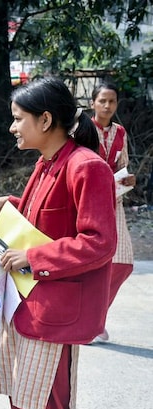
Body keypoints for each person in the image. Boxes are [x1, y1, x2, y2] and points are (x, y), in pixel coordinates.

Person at [0, 77, 117, 409]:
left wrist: (34, 257)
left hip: (53, 313)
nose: (12, 127)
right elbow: (44, 220)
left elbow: (99, 241)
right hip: (28, 305)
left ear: (45, 121)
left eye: (18, 118)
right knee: (25, 405)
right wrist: (7, 205)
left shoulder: (86, 166)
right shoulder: (48, 161)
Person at [90, 81, 135, 343]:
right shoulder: (82, 129)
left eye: (112, 101)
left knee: (123, 262)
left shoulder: (120, 132)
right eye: (102, 101)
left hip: (114, 202)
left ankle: (97, 318)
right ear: (93, 103)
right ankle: (92, 323)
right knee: (92, 263)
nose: (107, 106)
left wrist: (130, 179)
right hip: (87, 202)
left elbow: (123, 165)